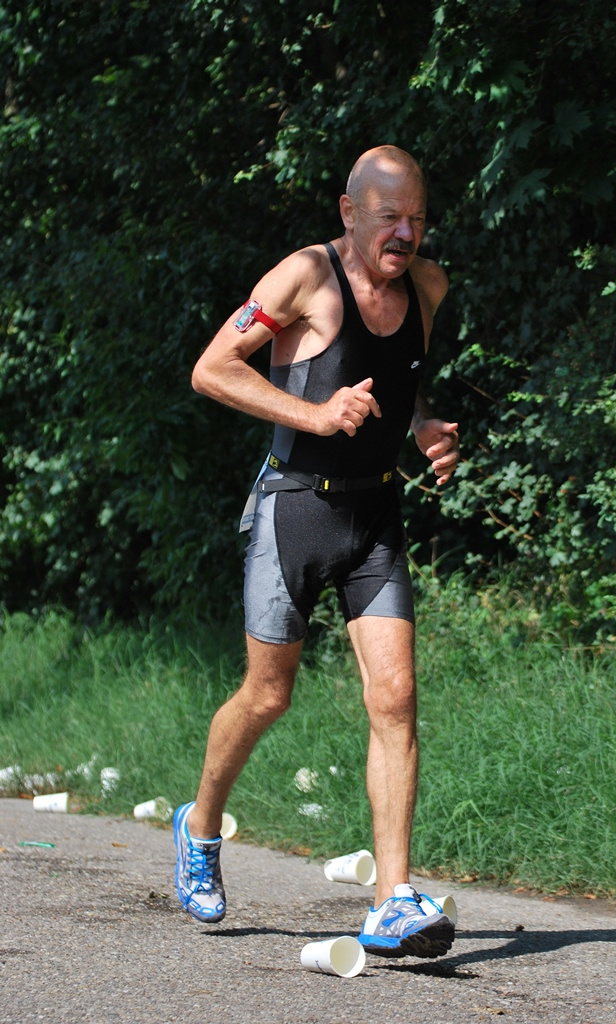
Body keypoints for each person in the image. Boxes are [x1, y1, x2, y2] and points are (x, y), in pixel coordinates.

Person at [174, 145, 460, 959]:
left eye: (416, 219)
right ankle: (199, 828)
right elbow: (211, 370)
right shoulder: (303, 276)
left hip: (374, 516)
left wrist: (423, 426)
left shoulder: (427, 287)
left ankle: (391, 900)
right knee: (268, 695)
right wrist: (314, 415)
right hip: (294, 511)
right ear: (348, 212)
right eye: (388, 217)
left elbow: (400, 380)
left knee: (395, 698)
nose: (404, 234)